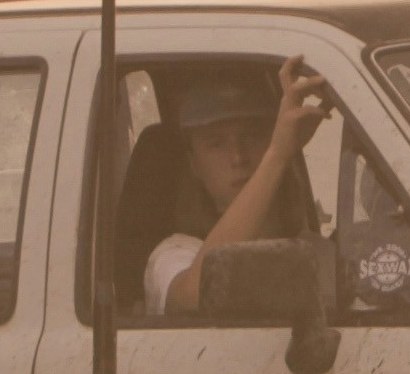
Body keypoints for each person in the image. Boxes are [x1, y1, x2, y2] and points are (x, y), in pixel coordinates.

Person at [138, 59, 330, 317]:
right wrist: (277, 157)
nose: (238, 157)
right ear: (195, 164)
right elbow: (194, 296)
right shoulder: (175, 254)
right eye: (216, 144)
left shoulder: (316, 252)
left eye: (250, 137)